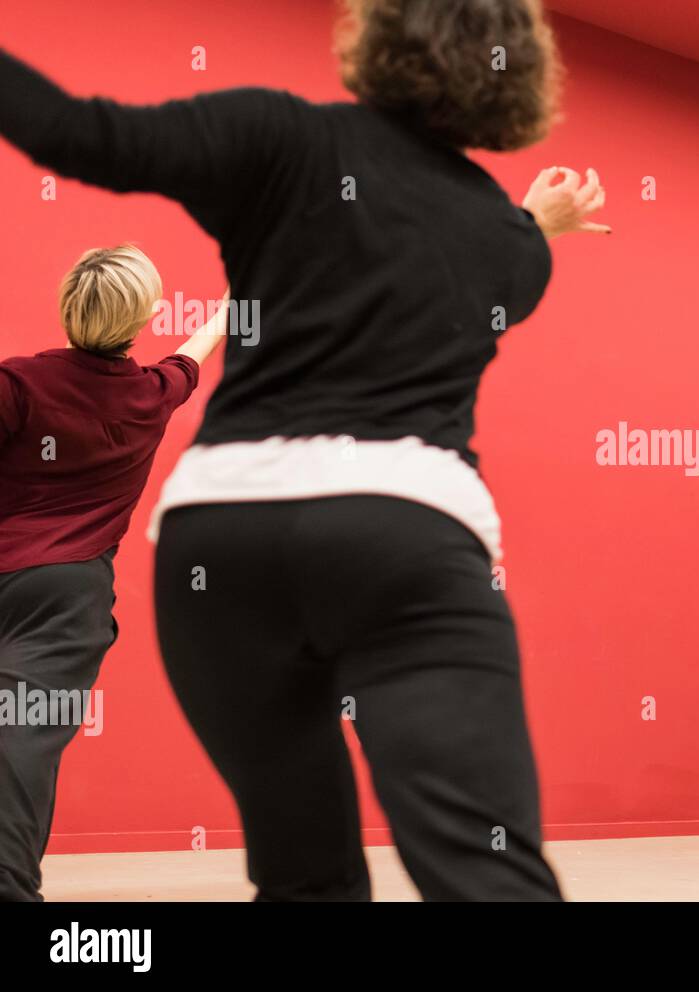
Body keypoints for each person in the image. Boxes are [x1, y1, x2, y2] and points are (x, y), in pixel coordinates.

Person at [0, 0, 607, 900]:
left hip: (220, 542)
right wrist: (534, 222)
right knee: (484, 866)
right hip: (404, 532)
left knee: (304, 875)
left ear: (372, 40)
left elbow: (78, 132)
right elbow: (445, 251)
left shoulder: (273, 133)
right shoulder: (512, 248)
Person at [0, 245, 225, 901]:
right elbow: (192, 357)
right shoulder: (151, 395)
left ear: (68, 305)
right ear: (148, 314)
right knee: (22, 738)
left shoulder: (16, 383)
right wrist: (229, 309)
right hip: (64, 596)